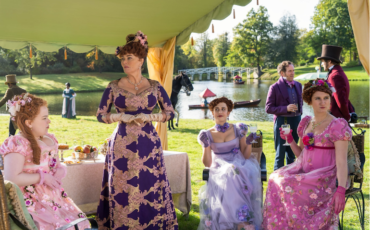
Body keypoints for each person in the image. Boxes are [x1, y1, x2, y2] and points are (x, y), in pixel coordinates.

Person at [96, 31, 178, 229]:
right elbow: (100, 114)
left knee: (149, 184)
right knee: (123, 187)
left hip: (148, 143)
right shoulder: (113, 86)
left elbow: (170, 112)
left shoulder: (155, 86)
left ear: (141, 60)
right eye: (123, 58)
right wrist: (119, 117)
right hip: (122, 143)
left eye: (129, 58)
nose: (125, 62)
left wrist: (151, 117)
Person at [262, 79, 351, 229]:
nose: (323, 102)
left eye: (326, 98)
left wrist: (341, 190)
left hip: (324, 175)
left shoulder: (337, 125)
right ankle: (283, 225)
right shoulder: (307, 122)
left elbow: (341, 162)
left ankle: (299, 224)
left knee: (288, 184)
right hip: (304, 170)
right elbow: (301, 154)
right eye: (318, 98)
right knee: (274, 178)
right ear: (310, 101)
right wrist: (290, 140)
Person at [0, 93, 89, 229]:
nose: (49, 121)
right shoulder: (18, 143)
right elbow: (12, 178)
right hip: (32, 202)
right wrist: (43, 177)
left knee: (80, 223)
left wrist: (59, 171)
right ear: (29, 123)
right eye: (44, 118)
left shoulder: (49, 138)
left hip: (54, 198)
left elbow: (55, 164)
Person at [197, 97, 262, 230]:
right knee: (228, 173)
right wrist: (205, 146)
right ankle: (239, 222)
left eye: (223, 109)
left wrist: (248, 143)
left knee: (232, 171)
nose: (220, 111)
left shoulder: (238, 128)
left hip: (239, 163)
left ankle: (236, 221)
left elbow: (245, 155)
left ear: (228, 112)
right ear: (212, 112)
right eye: (216, 109)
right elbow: (207, 164)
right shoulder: (207, 134)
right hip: (218, 166)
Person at [265, 61, 303, 170]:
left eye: (293, 70)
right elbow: (268, 108)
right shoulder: (274, 87)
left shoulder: (299, 85)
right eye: (290, 71)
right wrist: (285, 108)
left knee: (292, 154)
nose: (292, 73)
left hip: (296, 121)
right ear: (282, 73)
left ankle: (290, 180)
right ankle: (276, 183)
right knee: (280, 154)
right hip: (283, 122)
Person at [317, 44, 354, 122]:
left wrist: (347, 117)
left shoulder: (335, 76)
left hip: (337, 119)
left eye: (323, 61)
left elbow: (341, 99)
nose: (322, 63)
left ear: (329, 61)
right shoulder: (336, 72)